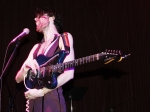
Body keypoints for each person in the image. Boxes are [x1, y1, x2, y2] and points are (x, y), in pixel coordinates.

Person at [15, 7, 75, 112]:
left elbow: (69, 74)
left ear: (52, 18)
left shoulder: (63, 38)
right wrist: (25, 68)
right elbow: (18, 79)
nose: (35, 19)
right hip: (34, 104)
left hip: (52, 103)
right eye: (35, 17)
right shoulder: (36, 47)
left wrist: (41, 92)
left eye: (40, 16)